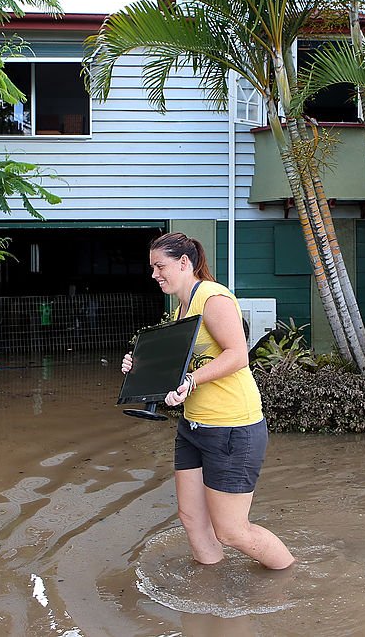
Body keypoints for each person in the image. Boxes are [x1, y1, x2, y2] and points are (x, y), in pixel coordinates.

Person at [121, 232, 294, 570]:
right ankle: (212, 593)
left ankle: (289, 578)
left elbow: (238, 355)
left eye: (160, 266)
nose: (154, 274)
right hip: (193, 427)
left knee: (231, 531)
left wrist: (191, 379)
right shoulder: (180, 312)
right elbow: (178, 368)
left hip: (233, 427)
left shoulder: (213, 298)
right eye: (152, 267)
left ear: (185, 263)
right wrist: (138, 366)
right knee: (191, 518)